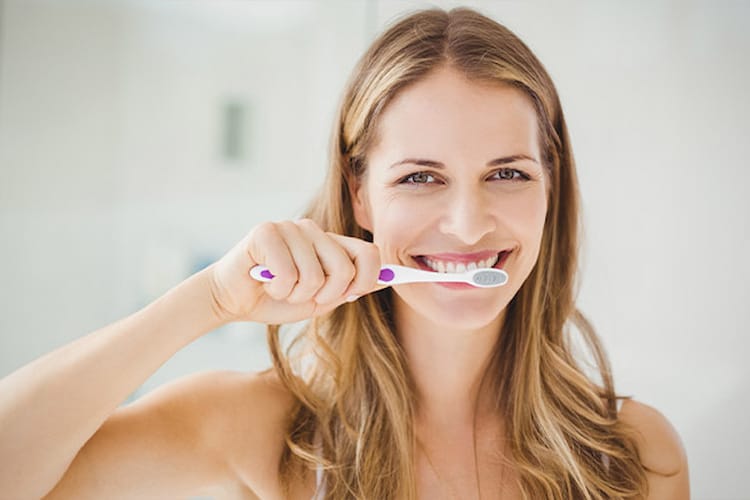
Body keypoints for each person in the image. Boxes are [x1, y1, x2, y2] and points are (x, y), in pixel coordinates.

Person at [0, 7, 689, 499]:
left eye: (507, 173)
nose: (469, 223)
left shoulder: (634, 454)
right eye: (421, 177)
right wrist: (206, 301)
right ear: (359, 195)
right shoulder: (260, 429)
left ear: (550, 189)